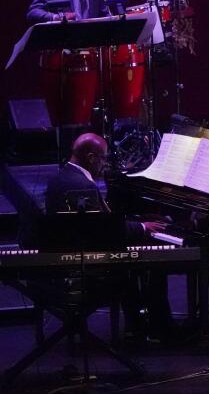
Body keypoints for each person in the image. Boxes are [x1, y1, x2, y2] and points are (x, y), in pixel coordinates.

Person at [43, 133, 172, 339]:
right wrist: (142, 227)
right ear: (92, 157)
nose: (104, 164)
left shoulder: (63, 176)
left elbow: (103, 222)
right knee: (153, 261)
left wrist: (138, 222)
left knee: (143, 257)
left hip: (74, 250)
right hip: (86, 265)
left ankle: (140, 325)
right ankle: (158, 328)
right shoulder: (82, 185)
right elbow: (108, 231)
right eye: (103, 158)